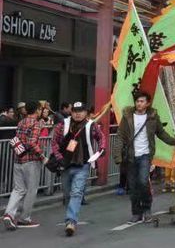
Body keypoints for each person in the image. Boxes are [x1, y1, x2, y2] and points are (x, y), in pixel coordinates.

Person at [113, 92, 175, 224]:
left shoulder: (152, 117)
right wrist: (117, 155)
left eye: (142, 101)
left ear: (148, 103)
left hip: (145, 155)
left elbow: (161, 134)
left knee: (143, 182)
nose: (139, 103)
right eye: (137, 101)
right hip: (131, 156)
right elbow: (120, 135)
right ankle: (136, 213)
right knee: (133, 186)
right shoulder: (127, 116)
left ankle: (147, 209)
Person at [50, 102, 106, 236]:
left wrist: (101, 149)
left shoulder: (91, 125)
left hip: (83, 165)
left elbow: (101, 137)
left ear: (86, 112)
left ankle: (71, 221)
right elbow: (54, 142)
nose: (78, 113)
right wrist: (59, 158)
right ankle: (71, 216)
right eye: (75, 111)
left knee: (76, 193)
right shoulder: (63, 125)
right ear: (71, 112)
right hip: (65, 165)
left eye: (81, 111)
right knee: (68, 194)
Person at [3, 101, 47, 230]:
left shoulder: (21, 122)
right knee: (31, 190)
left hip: (18, 158)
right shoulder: (36, 123)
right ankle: (24, 218)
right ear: (37, 110)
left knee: (18, 189)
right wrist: (43, 157)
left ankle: (9, 214)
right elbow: (32, 143)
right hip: (32, 160)